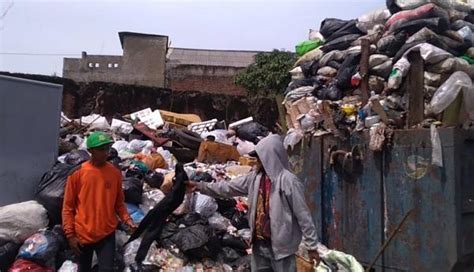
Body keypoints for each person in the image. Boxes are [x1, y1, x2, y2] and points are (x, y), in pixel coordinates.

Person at [187, 134, 321, 271]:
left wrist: (312, 246)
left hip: (282, 248)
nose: (257, 161)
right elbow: (228, 188)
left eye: (260, 158)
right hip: (259, 244)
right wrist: (200, 186)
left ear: (270, 157)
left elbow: (303, 215)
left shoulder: (288, 182)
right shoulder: (255, 178)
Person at [62, 131, 137, 271]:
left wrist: (127, 220)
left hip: (106, 233)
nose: (106, 153)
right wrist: (70, 235)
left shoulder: (114, 173)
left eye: (107, 148)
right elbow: (68, 208)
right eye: (101, 149)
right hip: (83, 233)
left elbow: (119, 203)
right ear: (91, 151)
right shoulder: (77, 174)